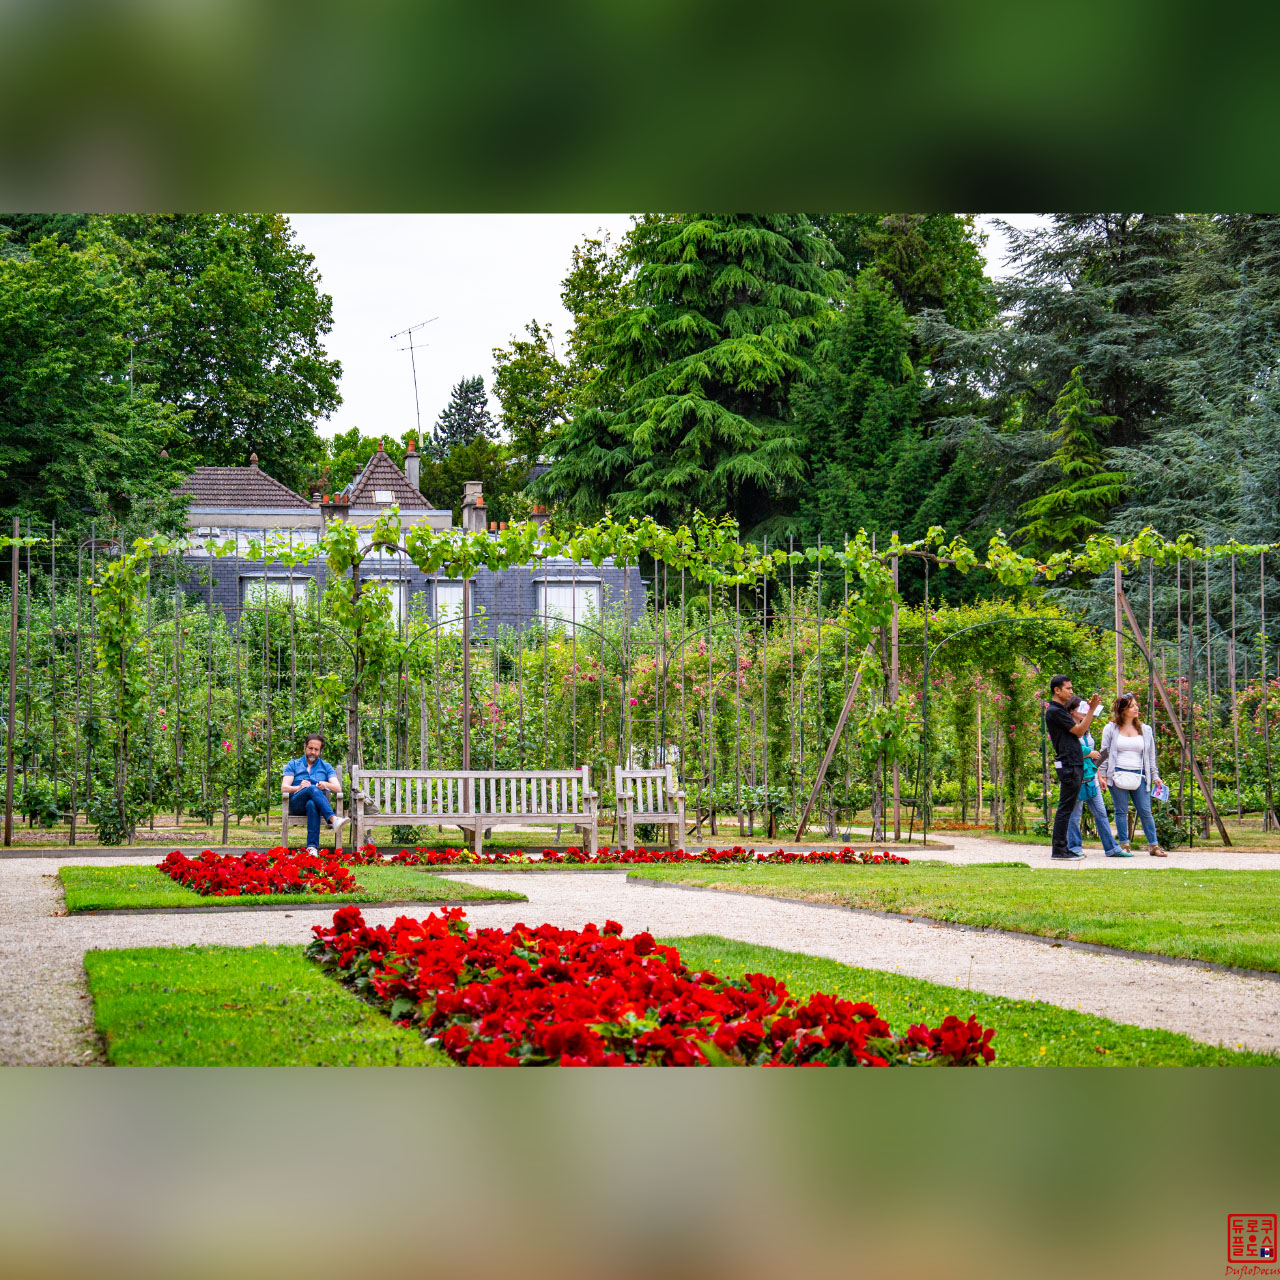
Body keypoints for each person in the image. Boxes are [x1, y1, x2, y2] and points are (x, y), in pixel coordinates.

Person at [1043, 675, 1104, 860]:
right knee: (1065, 808)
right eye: (1068, 688)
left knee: (1067, 808)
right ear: (1057, 690)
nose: (1071, 692)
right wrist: (1092, 710)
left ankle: (1063, 848)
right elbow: (1079, 731)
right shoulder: (1055, 711)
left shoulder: (1059, 710)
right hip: (1069, 764)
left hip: (1073, 762)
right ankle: (1059, 850)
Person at [1099, 692, 1166, 856]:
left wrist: (1155, 776)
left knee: (1145, 810)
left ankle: (1154, 845)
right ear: (1122, 710)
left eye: (1136, 705)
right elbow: (1104, 753)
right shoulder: (1111, 728)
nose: (1136, 708)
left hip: (1140, 776)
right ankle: (1124, 844)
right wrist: (1102, 776)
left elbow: (1150, 756)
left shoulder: (1145, 730)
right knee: (1121, 811)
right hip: (1117, 775)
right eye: (1132, 706)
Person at [1065, 698, 1128, 857]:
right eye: (1081, 708)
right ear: (1071, 710)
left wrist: (1099, 775)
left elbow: (1094, 755)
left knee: (1101, 813)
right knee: (1075, 815)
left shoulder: (1085, 729)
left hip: (1090, 776)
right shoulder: (1069, 728)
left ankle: (1112, 848)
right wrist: (1088, 753)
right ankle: (1074, 847)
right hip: (1076, 777)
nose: (1084, 711)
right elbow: (1070, 749)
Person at [282, 733, 348, 854]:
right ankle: (333, 819)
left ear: (320, 751)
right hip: (297, 804)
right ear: (305, 747)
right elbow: (284, 788)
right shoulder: (294, 764)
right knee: (312, 789)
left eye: (316, 750)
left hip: (316, 805)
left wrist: (326, 784)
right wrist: (299, 787)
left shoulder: (326, 766)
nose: (313, 752)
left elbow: (337, 788)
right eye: (310, 748)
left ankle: (312, 848)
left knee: (312, 804)